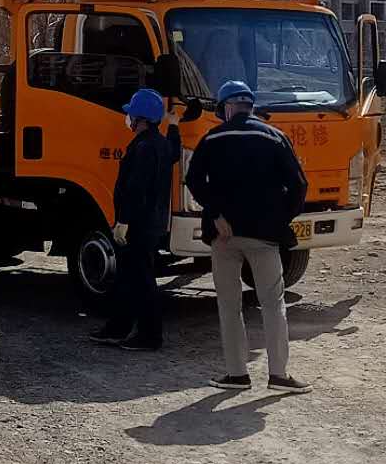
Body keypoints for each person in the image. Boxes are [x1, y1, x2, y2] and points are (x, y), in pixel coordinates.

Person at [185, 80, 311, 394]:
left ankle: (237, 375)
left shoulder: (212, 138)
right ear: (250, 107)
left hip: (224, 237)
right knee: (273, 305)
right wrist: (279, 219)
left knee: (229, 306)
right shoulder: (274, 137)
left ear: (227, 108)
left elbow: (193, 179)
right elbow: (299, 185)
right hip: (264, 236)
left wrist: (216, 213)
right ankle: (278, 375)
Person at [90, 88, 179, 352]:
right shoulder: (161, 144)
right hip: (152, 222)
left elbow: (135, 189)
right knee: (128, 279)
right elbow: (174, 151)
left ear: (140, 118)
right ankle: (118, 328)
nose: (128, 119)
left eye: (131, 115)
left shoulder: (143, 147)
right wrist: (174, 126)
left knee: (140, 281)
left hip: (138, 224)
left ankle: (149, 336)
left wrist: (124, 221)